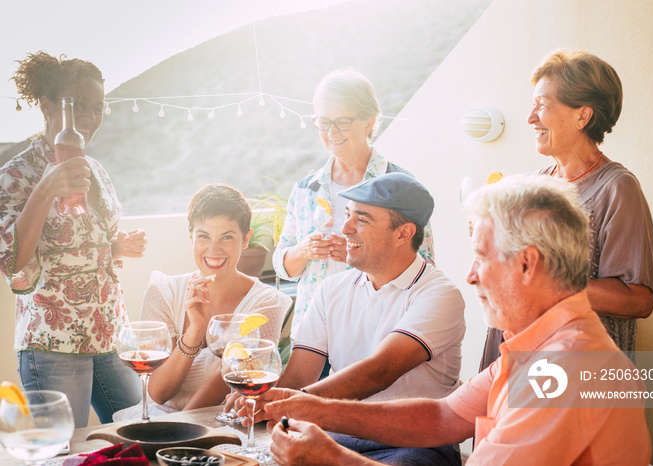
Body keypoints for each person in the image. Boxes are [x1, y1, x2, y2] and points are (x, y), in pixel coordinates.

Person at [254, 175, 652, 466]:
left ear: (528, 264)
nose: (471, 275)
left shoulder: (567, 369)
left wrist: (330, 458)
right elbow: (444, 416)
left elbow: (389, 376)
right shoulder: (542, 346)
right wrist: (314, 408)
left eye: (481, 256)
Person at [228, 172, 464, 464]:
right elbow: (300, 375)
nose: (346, 228)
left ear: (404, 233)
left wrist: (291, 401)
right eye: (348, 215)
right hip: (336, 433)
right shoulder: (332, 289)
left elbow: (381, 370)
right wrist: (267, 399)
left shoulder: (439, 294)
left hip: (415, 444)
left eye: (361, 219)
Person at [480, 50, 653, 370]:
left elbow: (639, 299)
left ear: (582, 116)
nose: (530, 117)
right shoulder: (532, 186)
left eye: (543, 105)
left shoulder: (617, 189)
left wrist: (545, 284)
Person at [0, 51, 147, 427]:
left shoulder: (94, 168)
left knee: (138, 435)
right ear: (49, 107)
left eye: (97, 108)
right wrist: (46, 187)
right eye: (78, 105)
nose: (88, 118)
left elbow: (82, 243)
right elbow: (12, 262)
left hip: (109, 332)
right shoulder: (16, 174)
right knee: (66, 453)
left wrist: (117, 246)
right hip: (54, 343)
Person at [273, 69, 434, 343]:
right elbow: (282, 265)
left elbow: (424, 267)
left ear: (369, 122)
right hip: (313, 334)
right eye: (323, 122)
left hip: (377, 333)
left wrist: (356, 258)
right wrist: (304, 250)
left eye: (343, 121)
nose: (331, 132)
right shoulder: (305, 189)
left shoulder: (400, 185)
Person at [113, 184, 291, 420]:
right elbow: (158, 392)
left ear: (246, 239)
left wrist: (181, 431)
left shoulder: (267, 302)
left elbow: (232, 377)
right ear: (191, 238)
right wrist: (194, 332)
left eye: (227, 237)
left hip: (227, 419)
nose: (214, 249)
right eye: (204, 236)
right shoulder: (164, 291)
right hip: (163, 417)